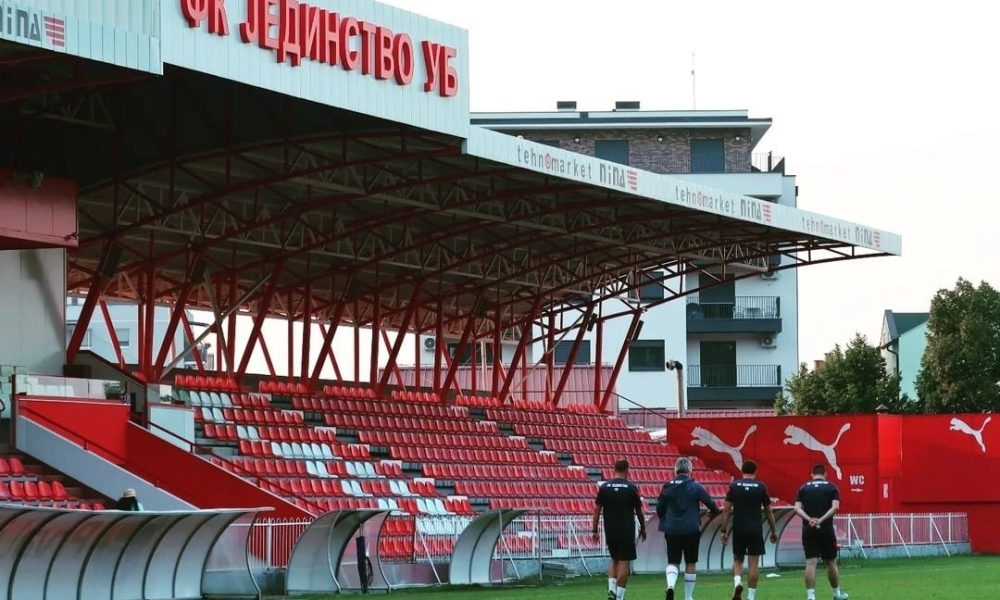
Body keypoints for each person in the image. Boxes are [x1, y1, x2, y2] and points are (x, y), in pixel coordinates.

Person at [656, 457, 721, 600]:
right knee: (690, 562)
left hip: (672, 529)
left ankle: (671, 586)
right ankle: (688, 597)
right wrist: (712, 514)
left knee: (673, 561)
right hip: (691, 529)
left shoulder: (667, 486)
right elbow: (712, 504)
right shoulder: (695, 486)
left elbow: (659, 509)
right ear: (690, 470)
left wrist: (667, 519)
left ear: (675, 470)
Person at [720, 460, 778, 600]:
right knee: (753, 564)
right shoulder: (761, 487)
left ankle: (737, 582)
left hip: (739, 528)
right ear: (755, 472)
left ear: (742, 471)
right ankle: (751, 597)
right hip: (755, 529)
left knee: (738, 560)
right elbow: (769, 511)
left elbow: (727, 509)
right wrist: (773, 530)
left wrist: (724, 530)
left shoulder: (734, 486)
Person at [592, 459, 646, 600]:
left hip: (610, 529)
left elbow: (597, 510)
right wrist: (643, 528)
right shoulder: (631, 488)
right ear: (627, 470)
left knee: (614, 559)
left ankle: (611, 589)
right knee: (624, 563)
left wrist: (594, 530)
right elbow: (639, 511)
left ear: (614, 469)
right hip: (626, 530)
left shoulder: (604, 487)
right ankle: (620, 597)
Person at [794, 465, 848, 600]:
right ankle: (836, 594)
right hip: (826, 529)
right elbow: (835, 507)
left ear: (811, 474)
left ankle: (811, 596)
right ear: (826, 474)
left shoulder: (803, 488)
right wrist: (821, 520)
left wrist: (810, 519)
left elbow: (797, 509)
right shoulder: (831, 487)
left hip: (808, 529)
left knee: (811, 563)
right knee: (830, 562)